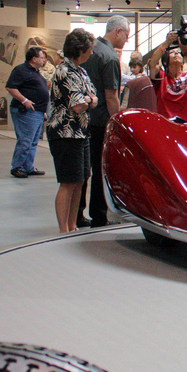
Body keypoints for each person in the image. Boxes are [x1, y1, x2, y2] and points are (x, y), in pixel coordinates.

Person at [46, 29, 97, 233]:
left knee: (81, 180)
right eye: (90, 49)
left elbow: (93, 98)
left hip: (81, 133)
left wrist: (87, 99)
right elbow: (78, 105)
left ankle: (72, 225)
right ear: (80, 50)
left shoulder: (80, 71)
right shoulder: (64, 71)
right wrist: (87, 99)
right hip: (65, 134)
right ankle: (63, 229)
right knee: (68, 182)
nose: (92, 53)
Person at [77, 15, 125, 228]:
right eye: (126, 35)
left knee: (81, 171)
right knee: (100, 170)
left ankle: (76, 215)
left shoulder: (88, 51)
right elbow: (111, 95)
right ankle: (99, 215)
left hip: (80, 119)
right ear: (117, 32)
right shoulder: (110, 57)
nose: (126, 40)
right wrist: (116, 123)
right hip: (99, 122)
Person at [4, 46, 50, 178]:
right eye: (41, 57)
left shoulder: (36, 72)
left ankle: (28, 166)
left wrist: (43, 111)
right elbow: (10, 87)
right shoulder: (21, 70)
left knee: (33, 141)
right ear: (34, 59)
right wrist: (25, 101)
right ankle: (17, 167)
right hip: (26, 111)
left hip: (37, 112)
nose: (43, 60)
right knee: (25, 140)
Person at [148, 30, 187, 123]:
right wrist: (166, 43)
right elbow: (152, 64)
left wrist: (186, 53)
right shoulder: (161, 78)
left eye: (178, 52)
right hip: (167, 128)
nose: (176, 53)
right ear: (165, 61)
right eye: (172, 52)